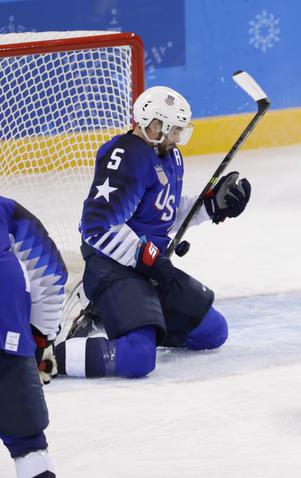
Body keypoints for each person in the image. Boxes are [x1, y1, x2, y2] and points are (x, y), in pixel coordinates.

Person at [55, 86, 251, 378]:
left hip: (149, 266)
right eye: (174, 131)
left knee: (213, 332)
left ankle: (121, 317)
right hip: (113, 266)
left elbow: (162, 216)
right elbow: (97, 227)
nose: (177, 139)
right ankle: (41, 358)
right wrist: (144, 255)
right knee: (138, 357)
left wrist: (210, 206)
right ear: (154, 126)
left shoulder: (171, 158)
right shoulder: (125, 156)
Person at [0, 196, 67, 477]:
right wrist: (41, 339)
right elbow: (50, 272)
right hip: (7, 342)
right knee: (29, 444)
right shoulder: (5, 209)